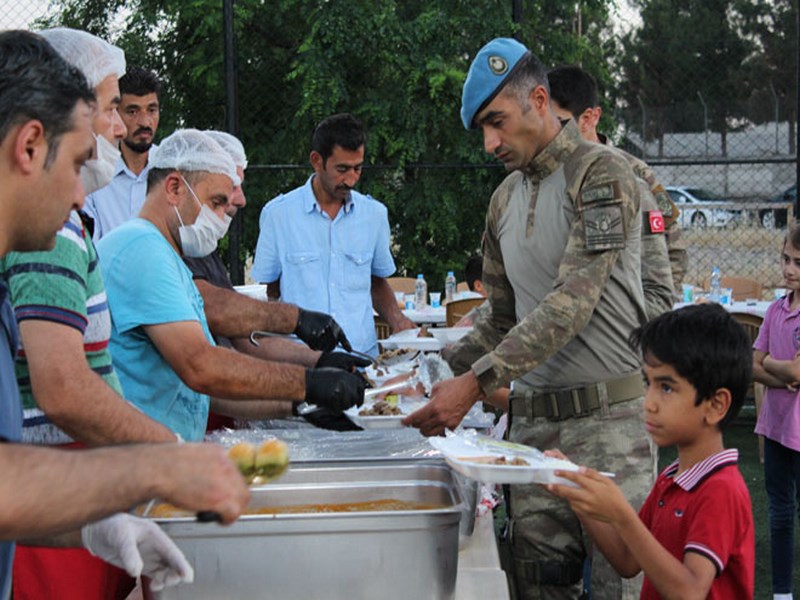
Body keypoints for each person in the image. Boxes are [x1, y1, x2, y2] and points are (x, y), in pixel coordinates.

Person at [0, 29, 248, 600]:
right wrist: (158, 464)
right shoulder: (52, 238)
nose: (83, 200)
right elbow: (61, 391)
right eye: (78, 160)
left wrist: (89, 523)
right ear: (31, 145)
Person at [404, 38, 656, 599]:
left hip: (609, 426)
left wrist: (473, 384)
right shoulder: (503, 200)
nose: (490, 143)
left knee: (624, 584)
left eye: (498, 122)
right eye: (483, 130)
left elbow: (572, 300)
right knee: (537, 587)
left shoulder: (602, 173)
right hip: (533, 434)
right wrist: (421, 376)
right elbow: (499, 316)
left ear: (539, 100)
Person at [97, 129, 367, 442]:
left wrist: (299, 405)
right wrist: (307, 382)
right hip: (138, 461)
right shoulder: (142, 247)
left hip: (164, 458)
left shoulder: (168, 256)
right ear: (173, 188)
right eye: (216, 202)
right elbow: (202, 366)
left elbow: (202, 390)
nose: (223, 217)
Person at [547, 303, 755, 599]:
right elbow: (627, 560)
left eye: (666, 388)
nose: (649, 402)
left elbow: (691, 592)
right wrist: (576, 489)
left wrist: (622, 515)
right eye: (649, 384)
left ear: (716, 405)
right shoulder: (672, 478)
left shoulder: (721, 490)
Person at [182, 130, 369, 431]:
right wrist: (296, 320)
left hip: (213, 421)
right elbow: (214, 310)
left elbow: (247, 340)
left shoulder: (202, 249)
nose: (241, 199)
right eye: (229, 189)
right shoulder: (158, 248)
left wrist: (318, 363)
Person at [251, 113, 416, 356]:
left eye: (358, 168)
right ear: (317, 161)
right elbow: (270, 292)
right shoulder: (278, 215)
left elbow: (376, 282)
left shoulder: (375, 215)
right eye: (342, 169)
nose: (351, 179)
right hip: (302, 360)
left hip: (360, 356)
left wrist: (398, 321)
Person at [547, 65, 687, 301]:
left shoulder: (635, 174)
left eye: (559, 123)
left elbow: (673, 248)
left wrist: (648, 317)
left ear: (590, 118)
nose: (550, 134)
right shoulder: (549, 177)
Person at [752, 224, 800, 600]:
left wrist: (773, 365)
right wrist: (781, 371)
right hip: (776, 427)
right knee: (779, 514)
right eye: (786, 259)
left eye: (798, 262)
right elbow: (752, 366)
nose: (790, 270)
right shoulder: (774, 309)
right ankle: (782, 593)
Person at [84, 66, 161, 241]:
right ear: (115, 113)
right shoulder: (95, 172)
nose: (144, 122)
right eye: (132, 111)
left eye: (152, 110)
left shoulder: (172, 171)